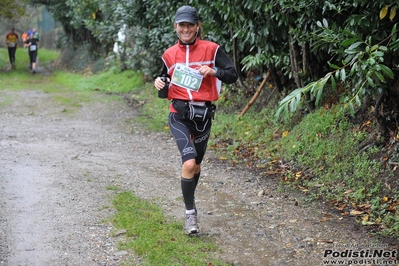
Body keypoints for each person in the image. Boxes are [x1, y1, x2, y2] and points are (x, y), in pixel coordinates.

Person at [154, 5, 238, 235]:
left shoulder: (212, 50)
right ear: (175, 27)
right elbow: (164, 80)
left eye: (190, 24)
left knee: (196, 164)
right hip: (179, 115)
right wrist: (159, 82)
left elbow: (232, 74)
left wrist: (214, 72)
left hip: (203, 117)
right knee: (189, 163)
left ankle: (190, 200)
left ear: (197, 26)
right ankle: (190, 214)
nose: (186, 29)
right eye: (182, 25)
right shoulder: (169, 54)